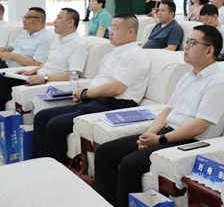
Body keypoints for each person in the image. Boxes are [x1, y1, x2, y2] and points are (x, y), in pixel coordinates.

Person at [94, 25, 224, 207]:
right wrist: (150, 133)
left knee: (129, 164)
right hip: (166, 134)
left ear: (209, 51)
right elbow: (168, 110)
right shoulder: (188, 76)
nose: (186, 46)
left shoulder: (218, 83)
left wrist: (160, 139)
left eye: (193, 43)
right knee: (105, 152)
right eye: (187, 41)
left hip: (189, 142)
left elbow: (199, 126)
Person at [31, 13, 148, 163]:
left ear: (130, 31)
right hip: (96, 101)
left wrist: (86, 93)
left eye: (115, 28)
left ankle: (55, 170)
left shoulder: (134, 55)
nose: (110, 31)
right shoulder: (116, 52)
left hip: (114, 106)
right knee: (42, 116)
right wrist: (83, 93)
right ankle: (39, 165)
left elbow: (116, 88)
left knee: (55, 125)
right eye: (111, 27)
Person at [10, 8, 88, 87]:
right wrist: (31, 71)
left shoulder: (77, 44)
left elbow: (73, 75)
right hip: (38, 78)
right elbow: (49, 63)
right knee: (6, 78)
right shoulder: (57, 40)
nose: (54, 21)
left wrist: (44, 78)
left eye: (59, 18)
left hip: (48, 84)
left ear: (70, 23)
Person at [0, 8, 55, 104]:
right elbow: (12, 47)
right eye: (24, 17)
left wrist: (13, 56)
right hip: (5, 65)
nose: (24, 20)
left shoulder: (46, 39)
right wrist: (6, 49)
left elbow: (37, 63)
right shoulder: (25, 32)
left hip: (18, 73)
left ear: (39, 20)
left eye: (28, 18)